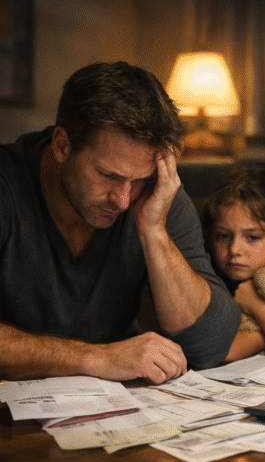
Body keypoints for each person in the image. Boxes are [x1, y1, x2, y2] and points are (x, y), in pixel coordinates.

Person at [0, 62, 240, 384]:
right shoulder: (6, 184)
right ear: (62, 146)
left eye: (139, 179)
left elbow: (210, 345)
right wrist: (95, 358)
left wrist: (153, 230)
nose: (123, 200)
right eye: (107, 175)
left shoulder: (155, 194)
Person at [200, 167, 265, 362]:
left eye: (252, 237)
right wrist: (264, 337)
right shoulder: (205, 281)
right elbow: (215, 352)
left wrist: (258, 306)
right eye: (223, 236)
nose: (234, 249)